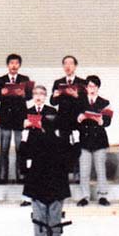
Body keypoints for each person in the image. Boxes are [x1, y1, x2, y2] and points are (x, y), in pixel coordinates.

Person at [20, 93, 80, 236]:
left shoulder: (34, 139)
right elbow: (72, 159)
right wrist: (76, 141)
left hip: (37, 187)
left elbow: (23, 153)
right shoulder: (62, 142)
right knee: (55, 225)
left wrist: (24, 137)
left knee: (39, 225)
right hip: (57, 188)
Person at [0, 54, 32, 184]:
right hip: (6, 117)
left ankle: (20, 175)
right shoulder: (0, 80)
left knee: (20, 148)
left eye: (16, 63)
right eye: (11, 63)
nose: (14, 66)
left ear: (19, 65)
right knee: (4, 149)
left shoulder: (24, 79)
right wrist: (1, 93)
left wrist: (23, 94)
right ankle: (2, 176)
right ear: (7, 65)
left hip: (20, 117)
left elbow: (30, 96)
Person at [75, 75, 111, 207]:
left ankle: (103, 196)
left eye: (94, 86)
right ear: (86, 88)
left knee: (101, 170)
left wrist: (100, 120)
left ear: (98, 88)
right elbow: (74, 120)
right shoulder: (79, 102)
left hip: (99, 140)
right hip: (84, 139)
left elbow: (107, 121)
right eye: (89, 86)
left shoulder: (105, 102)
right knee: (84, 171)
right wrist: (79, 118)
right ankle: (84, 196)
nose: (92, 89)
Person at [20, 85, 60, 207]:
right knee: (30, 171)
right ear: (32, 96)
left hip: (47, 145)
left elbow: (55, 127)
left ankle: (46, 195)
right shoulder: (27, 111)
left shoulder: (51, 111)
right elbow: (22, 127)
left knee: (47, 170)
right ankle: (28, 197)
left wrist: (43, 124)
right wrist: (24, 124)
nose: (38, 96)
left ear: (45, 96)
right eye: (36, 94)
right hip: (32, 144)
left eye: (41, 94)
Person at [50, 55, 87, 183]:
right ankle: (64, 174)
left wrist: (76, 95)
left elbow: (86, 103)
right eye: (65, 63)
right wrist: (55, 96)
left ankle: (77, 173)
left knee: (77, 147)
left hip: (77, 121)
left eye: (70, 63)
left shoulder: (82, 82)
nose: (68, 66)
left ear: (75, 66)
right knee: (63, 147)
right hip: (63, 120)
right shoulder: (58, 82)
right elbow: (53, 102)